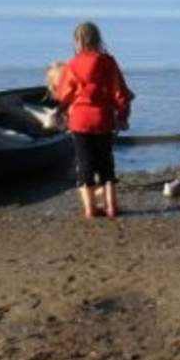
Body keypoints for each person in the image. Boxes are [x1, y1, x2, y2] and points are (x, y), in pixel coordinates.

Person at [51, 21, 134, 219]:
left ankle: (90, 210)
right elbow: (121, 93)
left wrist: (60, 112)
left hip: (80, 120)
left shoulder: (72, 65)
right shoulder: (109, 62)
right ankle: (111, 207)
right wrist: (122, 117)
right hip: (103, 119)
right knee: (107, 164)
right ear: (98, 39)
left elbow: (65, 95)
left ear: (77, 41)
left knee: (85, 164)